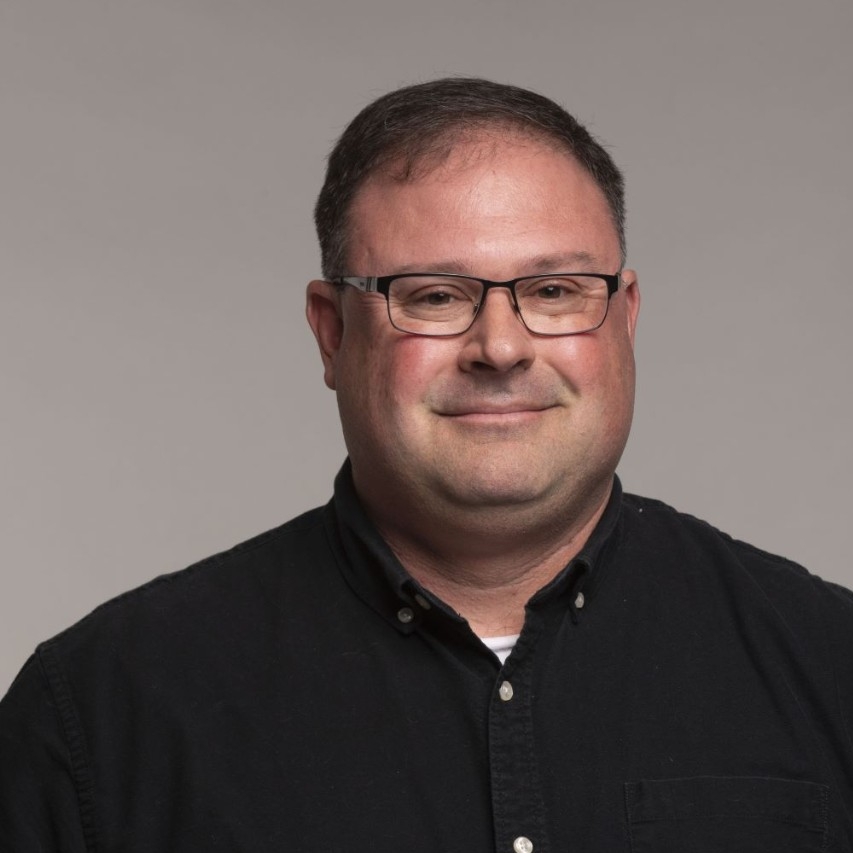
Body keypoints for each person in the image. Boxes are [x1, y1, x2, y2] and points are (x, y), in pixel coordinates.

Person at [2, 77, 852, 851]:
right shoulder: (101, 714)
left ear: (623, 318)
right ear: (332, 331)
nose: (501, 346)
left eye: (554, 291)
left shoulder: (829, 664)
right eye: (434, 296)